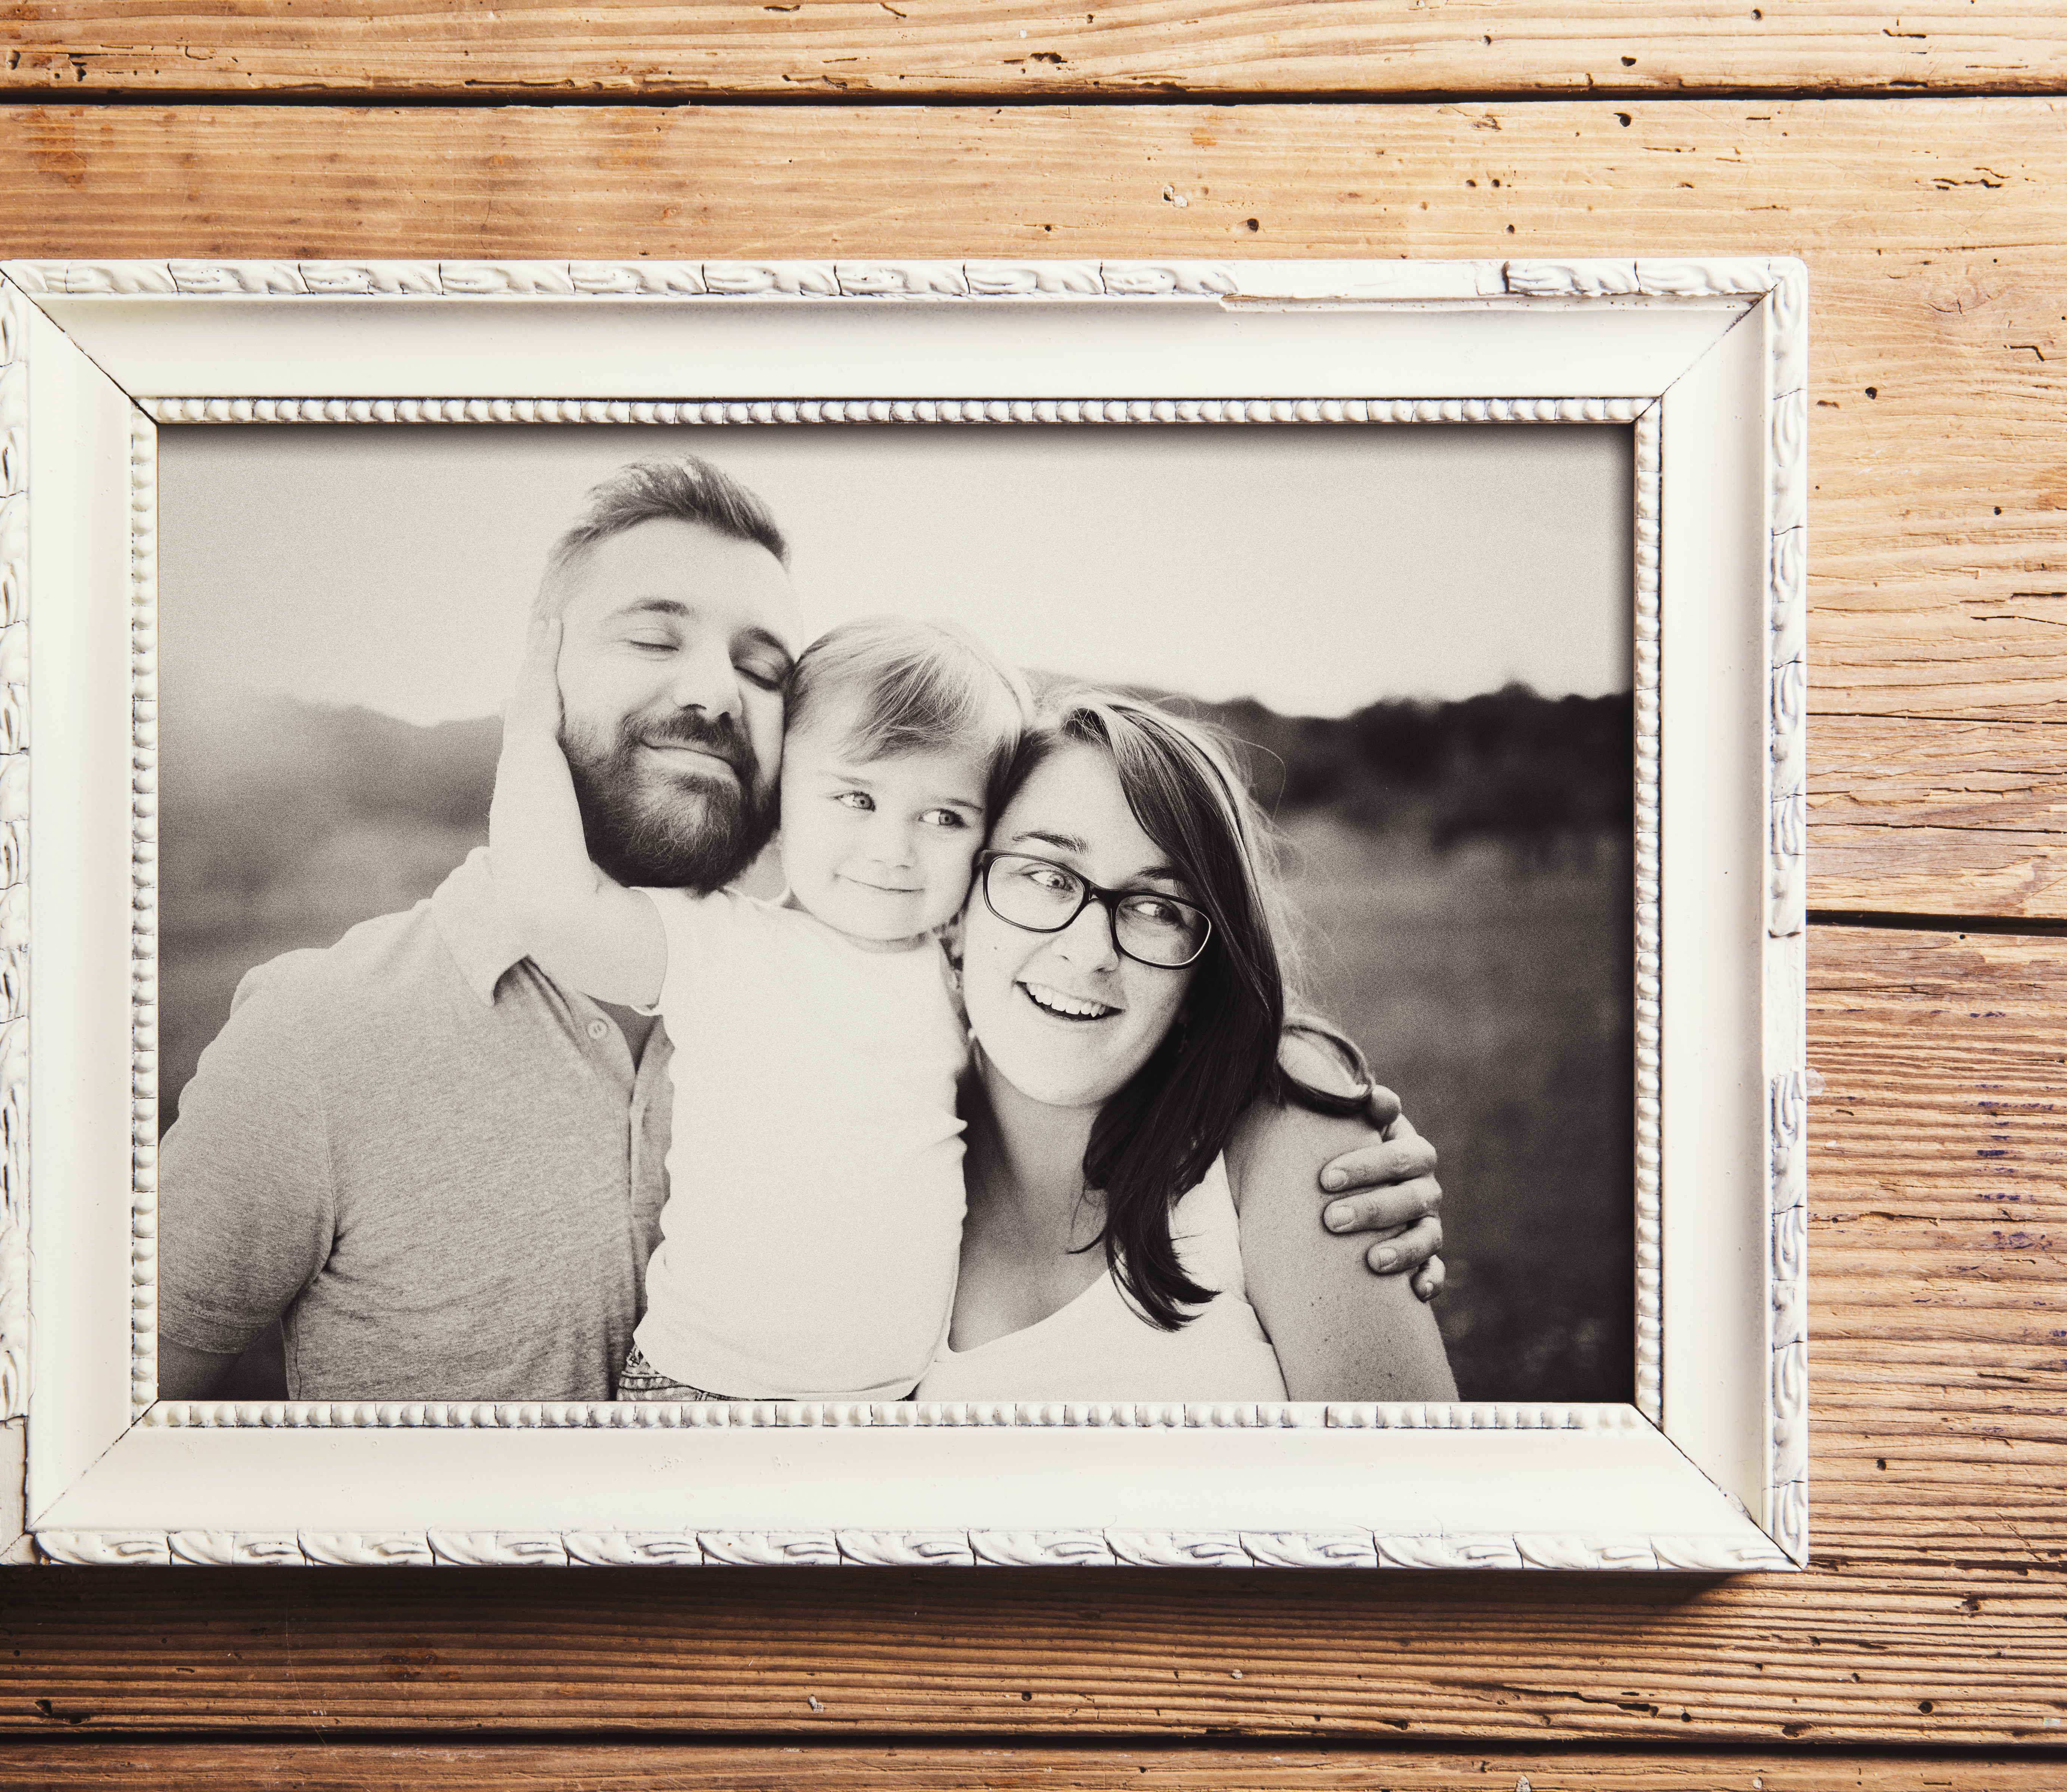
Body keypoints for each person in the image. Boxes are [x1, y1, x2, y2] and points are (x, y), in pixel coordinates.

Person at [156, 455, 1446, 1404]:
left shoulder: (960, 1002)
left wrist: (1315, 1116)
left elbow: (1139, 1000)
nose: (711, 690)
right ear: (537, 664)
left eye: (764, 667)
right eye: (649, 634)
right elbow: (79, 1423)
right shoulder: (326, 1041)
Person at [490, 609, 1024, 1400]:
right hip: (707, 1389)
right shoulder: (725, 944)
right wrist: (532, 733)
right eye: (855, 797)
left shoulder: (963, 975)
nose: (894, 848)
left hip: (889, 1405)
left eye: (943, 816)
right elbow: (551, 906)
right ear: (776, 803)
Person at [919, 693, 1458, 1402]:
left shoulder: (1283, 1130)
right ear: (958, 911)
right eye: (1047, 876)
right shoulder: (873, 1153)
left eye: (1157, 908)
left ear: (1203, 972)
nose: (1090, 953)